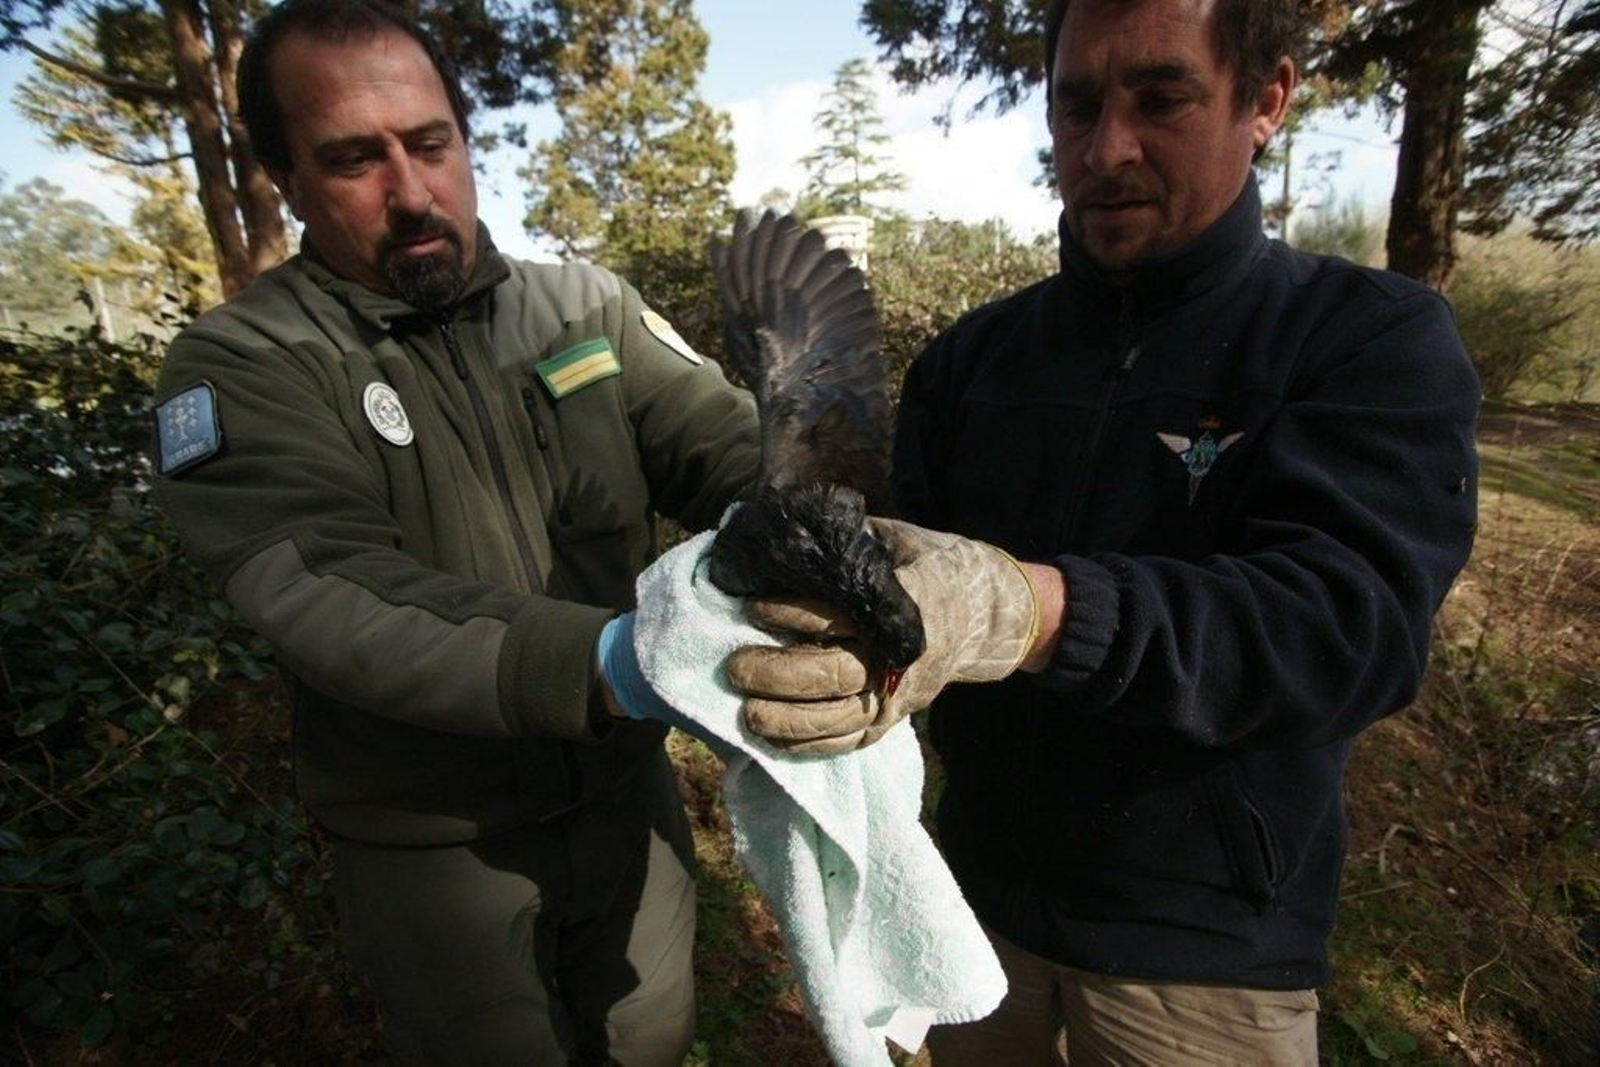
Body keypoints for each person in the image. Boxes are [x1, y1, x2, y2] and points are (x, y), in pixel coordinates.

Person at [724, 0, 1480, 1060]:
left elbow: (1345, 630)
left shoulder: (1363, 340)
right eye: (1075, 105)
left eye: (1161, 98)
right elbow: (895, 602)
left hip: (1199, 957)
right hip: (962, 918)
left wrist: (1023, 608)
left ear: (1264, 98)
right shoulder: (970, 363)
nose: (1106, 147)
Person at [150, 0, 757, 1061]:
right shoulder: (244, 363)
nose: (413, 191)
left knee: (653, 1040)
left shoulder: (584, 308)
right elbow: (329, 589)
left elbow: (726, 448)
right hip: (431, 847)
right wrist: (610, 659)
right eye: (353, 159)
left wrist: (824, 517)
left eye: (432, 144)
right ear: (286, 182)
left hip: (625, 800)